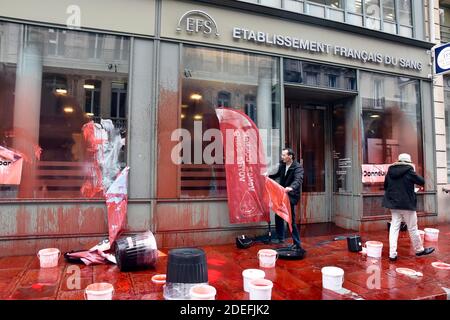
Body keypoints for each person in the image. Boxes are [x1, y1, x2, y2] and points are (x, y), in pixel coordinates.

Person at [382, 153, 434, 261]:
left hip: (394, 204)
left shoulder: (390, 171)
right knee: (412, 228)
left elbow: (385, 186)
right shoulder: (409, 171)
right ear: (408, 162)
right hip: (407, 204)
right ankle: (419, 250)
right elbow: (422, 181)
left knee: (394, 228)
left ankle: (392, 254)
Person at [269, 147, 305, 252]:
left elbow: (298, 180)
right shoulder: (282, 165)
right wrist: (268, 176)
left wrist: (291, 187)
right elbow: (277, 175)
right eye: (282, 155)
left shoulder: (298, 168)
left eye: (284, 155)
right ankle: (281, 238)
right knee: (278, 214)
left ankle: (297, 244)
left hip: (291, 194)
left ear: (290, 156)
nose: (282, 157)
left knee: (291, 220)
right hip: (282, 193)